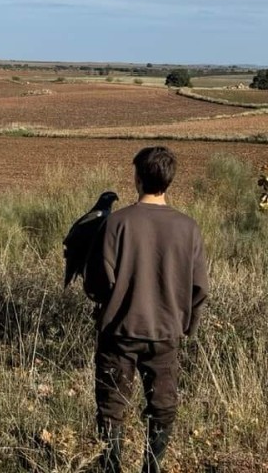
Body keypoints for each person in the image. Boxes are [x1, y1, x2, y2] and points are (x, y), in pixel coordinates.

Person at [84, 146, 208, 473]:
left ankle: (111, 469)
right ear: (169, 181)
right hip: (166, 335)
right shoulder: (188, 228)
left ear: (137, 179)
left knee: (112, 411)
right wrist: (185, 326)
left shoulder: (116, 224)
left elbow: (96, 283)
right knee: (162, 409)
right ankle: (152, 469)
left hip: (118, 335)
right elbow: (199, 289)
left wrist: (108, 305)